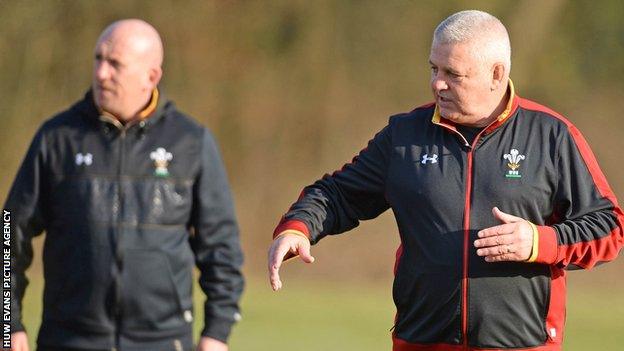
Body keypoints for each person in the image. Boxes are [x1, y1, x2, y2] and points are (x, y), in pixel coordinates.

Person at [268, 10, 623, 351]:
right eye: (434, 68)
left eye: (453, 73)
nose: (438, 83)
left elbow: (608, 227)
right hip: (420, 342)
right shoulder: (404, 136)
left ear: (496, 74)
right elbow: (337, 194)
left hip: (522, 345)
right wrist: (298, 228)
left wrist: (540, 241)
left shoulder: (551, 135)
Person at [6, 19, 244, 351]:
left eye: (115, 63)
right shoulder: (56, 139)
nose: (101, 73)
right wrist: (8, 323)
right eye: (98, 59)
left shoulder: (191, 142)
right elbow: (10, 233)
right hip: (70, 339)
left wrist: (217, 333)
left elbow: (222, 248)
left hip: (163, 341)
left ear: (151, 76)